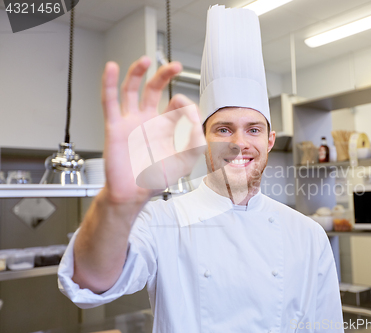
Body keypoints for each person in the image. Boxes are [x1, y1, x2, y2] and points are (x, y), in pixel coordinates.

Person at [58, 5, 343, 332]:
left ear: (270, 140)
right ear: (203, 140)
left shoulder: (307, 234)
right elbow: (90, 283)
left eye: (253, 129)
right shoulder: (163, 221)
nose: (239, 143)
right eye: (223, 129)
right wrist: (117, 202)